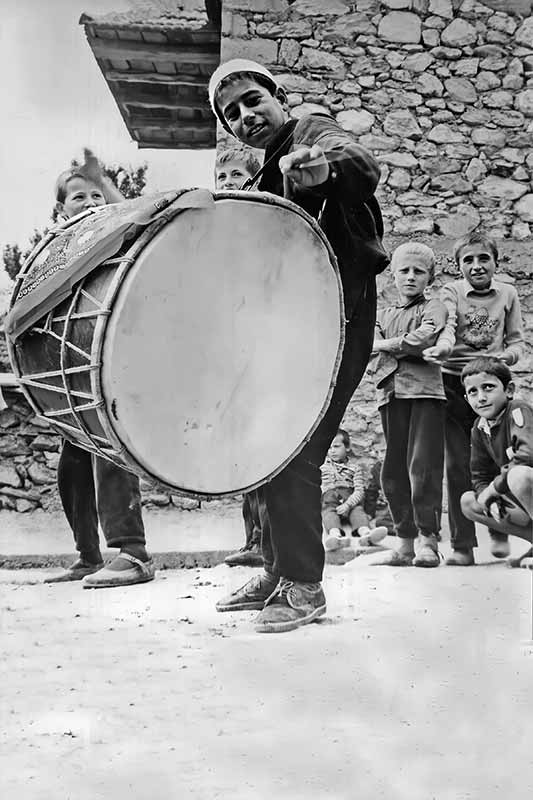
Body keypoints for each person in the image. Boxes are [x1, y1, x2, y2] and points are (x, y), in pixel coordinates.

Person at [208, 58, 388, 632]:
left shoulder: (310, 130)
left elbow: (360, 165)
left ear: (280, 97)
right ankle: (276, 568)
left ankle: (304, 585)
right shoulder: (260, 180)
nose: (245, 115)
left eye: (252, 100)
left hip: (336, 315)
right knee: (265, 443)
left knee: (293, 444)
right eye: (231, 114)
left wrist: (323, 170)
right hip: (286, 328)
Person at [45, 154, 154, 588]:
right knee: (72, 465)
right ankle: (88, 556)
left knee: (110, 453)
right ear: (61, 209)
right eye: (79, 197)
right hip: (75, 364)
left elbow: (136, 218)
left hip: (114, 358)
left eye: (96, 195)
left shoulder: (116, 235)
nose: (90, 202)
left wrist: (107, 187)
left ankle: (134, 552)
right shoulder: (58, 250)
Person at [424, 232, 524, 566]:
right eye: (468, 260)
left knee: (499, 460)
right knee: (458, 465)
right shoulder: (451, 291)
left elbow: (517, 341)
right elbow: (449, 325)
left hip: (491, 384)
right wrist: (444, 346)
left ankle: (499, 529)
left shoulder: (508, 293)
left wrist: (507, 357)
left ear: (496, 261)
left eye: (484, 258)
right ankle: (462, 546)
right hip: (455, 386)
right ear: (458, 265)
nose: (477, 265)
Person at [370, 242, 448, 568]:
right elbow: (368, 348)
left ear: (430, 277)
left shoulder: (434, 307)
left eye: (419, 271)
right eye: (404, 270)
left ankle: (428, 540)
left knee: (423, 467)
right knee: (393, 470)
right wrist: (398, 347)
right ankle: (404, 542)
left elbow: (426, 338)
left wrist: (387, 345)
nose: (411, 277)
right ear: (393, 275)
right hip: (390, 394)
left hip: (425, 394)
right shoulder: (382, 314)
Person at [213, 146, 264, 568]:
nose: (229, 183)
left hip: (261, 351)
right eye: (222, 177)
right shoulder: (219, 227)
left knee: (264, 447)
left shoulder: (262, 221)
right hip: (233, 353)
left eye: (236, 175)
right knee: (243, 452)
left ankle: (267, 539)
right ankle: (253, 538)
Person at [459, 357, 532, 566]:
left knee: (519, 475)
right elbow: (479, 475)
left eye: (488, 388)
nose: (481, 397)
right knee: (470, 502)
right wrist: (487, 497)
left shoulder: (518, 410)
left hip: (528, 482)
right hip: (524, 498)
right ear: (466, 398)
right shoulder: (479, 427)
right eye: (473, 392)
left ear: (509, 390)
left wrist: (492, 490)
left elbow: (526, 456)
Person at [321, 429, 387, 562]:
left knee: (358, 513)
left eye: (336, 446)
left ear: (347, 447)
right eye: (329, 448)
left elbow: (359, 491)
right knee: (328, 515)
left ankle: (366, 535)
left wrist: (347, 504)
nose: (332, 451)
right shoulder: (323, 468)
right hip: (331, 503)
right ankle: (336, 537)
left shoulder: (355, 468)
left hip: (351, 502)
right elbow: (320, 488)